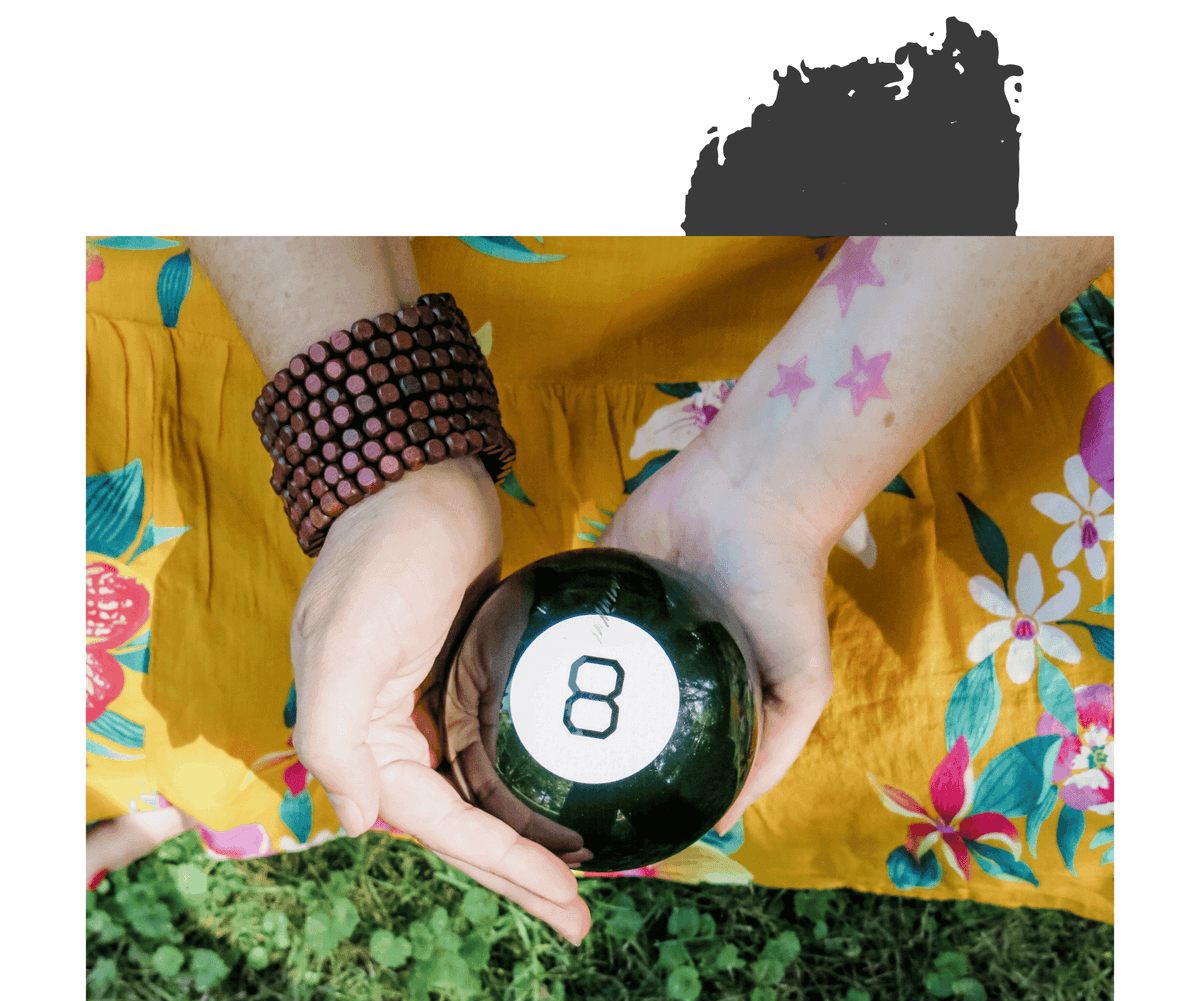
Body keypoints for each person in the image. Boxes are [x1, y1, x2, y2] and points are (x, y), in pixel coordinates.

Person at [86, 235, 1115, 943]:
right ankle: (212, 785)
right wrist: (386, 456)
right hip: (305, 271)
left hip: (919, 306)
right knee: (279, 663)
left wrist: (784, 483)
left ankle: (221, 783)